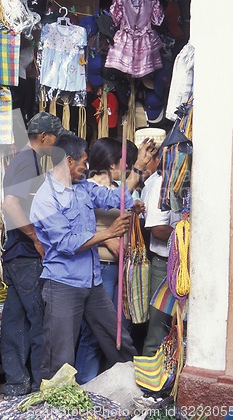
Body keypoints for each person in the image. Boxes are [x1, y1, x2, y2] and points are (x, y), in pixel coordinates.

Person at [30, 133, 155, 380]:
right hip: (63, 284)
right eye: (84, 162)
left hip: (93, 281)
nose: (87, 167)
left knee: (117, 337)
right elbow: (65, 243)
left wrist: (138, 169)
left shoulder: (83, 187)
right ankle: (56, 409)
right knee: (60, 355)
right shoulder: (45, 198)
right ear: (68, 161)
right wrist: (107, 233)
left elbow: (115, 198)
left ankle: (136, 386)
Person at [0, 112, 66, 397]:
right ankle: (40, 384)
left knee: (14, 321)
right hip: (26, 256)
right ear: (43, 137)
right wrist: (36, 239)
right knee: (39, 320)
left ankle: (17, 384)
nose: (57, 143)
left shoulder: (24, 159)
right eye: (55, 138)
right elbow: (10, 205)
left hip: (15, 255)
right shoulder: (27, 161)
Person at [75, 137, 144, 383]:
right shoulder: (86, 188)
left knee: (120, 329)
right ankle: (86, 384)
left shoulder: (118, 189)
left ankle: (110, 384)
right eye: (123, 162)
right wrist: (106, 240)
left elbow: (123, 208)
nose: (126, 167)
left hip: (121, 269)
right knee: (94, 332)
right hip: (100, 268)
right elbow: (82, 229)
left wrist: (135, 208)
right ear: (110, 162)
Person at [141, 151, 180, 356]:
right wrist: (187, 240)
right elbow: (157, 228)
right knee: (159, 327)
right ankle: (150, 384)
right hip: (165, 265)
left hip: (184, 266)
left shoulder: (187, 180)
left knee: (180, 328)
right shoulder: (161, 183)